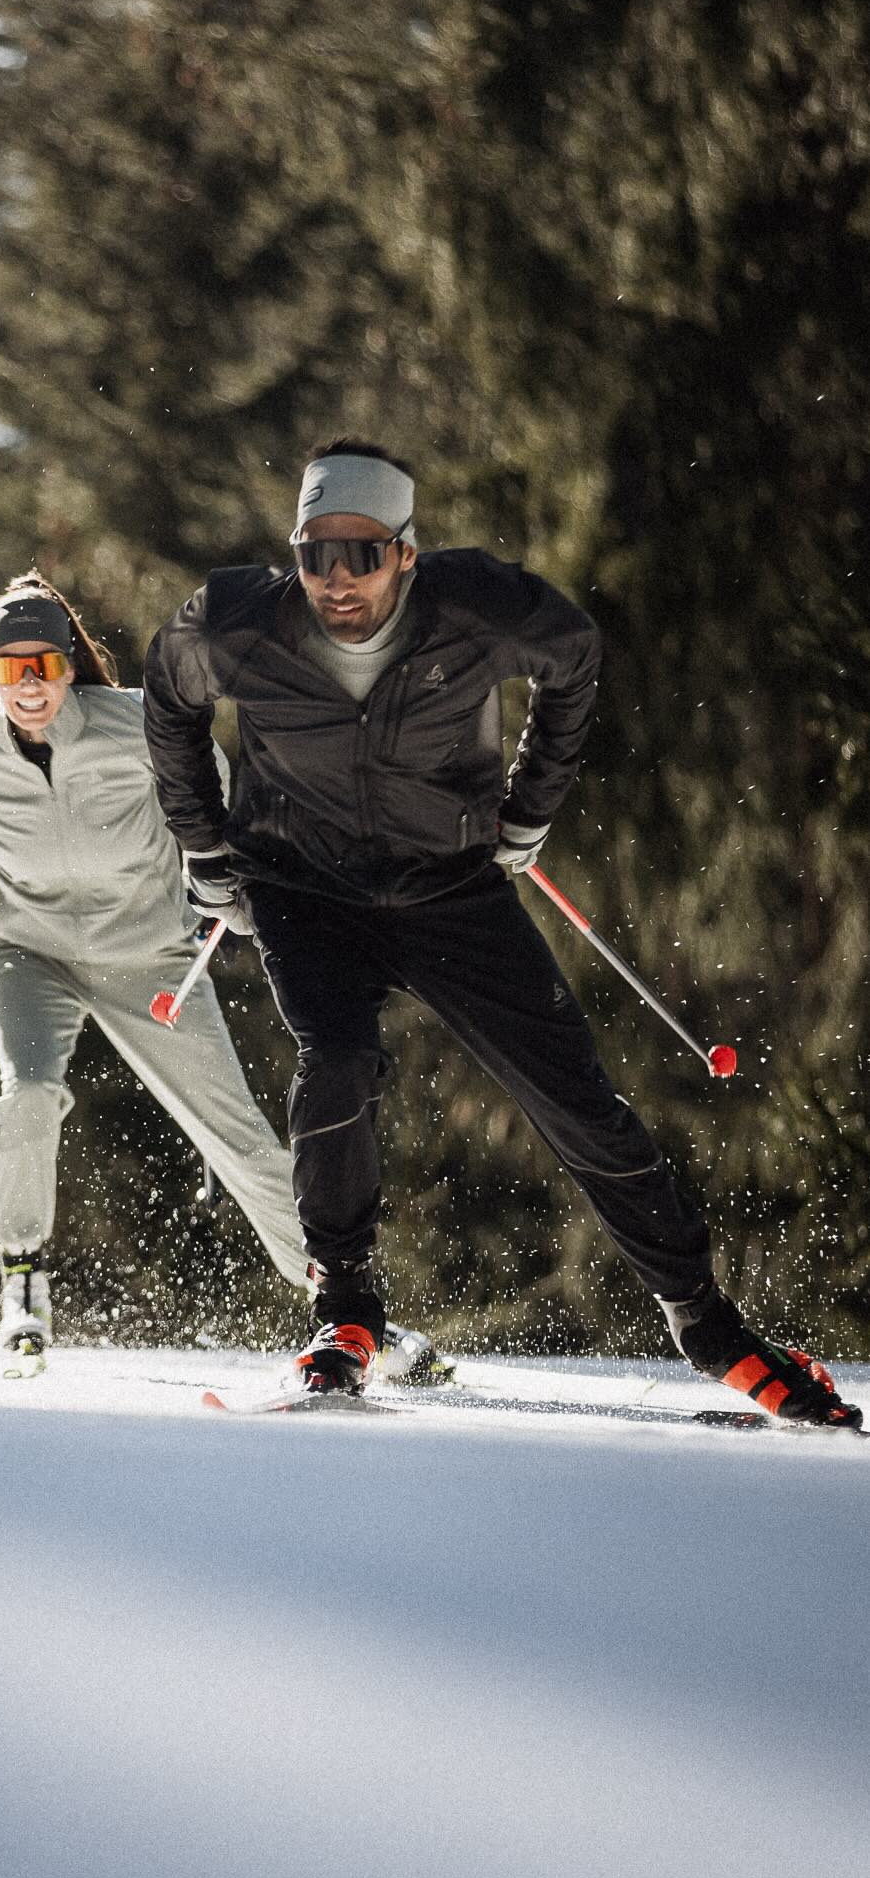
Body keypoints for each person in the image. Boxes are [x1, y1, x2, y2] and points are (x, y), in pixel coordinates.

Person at [141, 439, 861, 1427]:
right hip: (303, 890)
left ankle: (709, 1327)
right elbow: (168, 698)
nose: (336, 580)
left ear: (406, 551)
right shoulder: (236, 621)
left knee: (571, 1097)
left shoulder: (477, 606)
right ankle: (344, 1313)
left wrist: (527, 811)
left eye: (362, 553)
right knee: (337, 1060)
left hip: (450, 891)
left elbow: (573, 659)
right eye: (315, 554)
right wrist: (206, 849)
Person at [0, 572, 310, 1366]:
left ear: (70, 665)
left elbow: (209, 785)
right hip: (30, 954)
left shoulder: (135, 724)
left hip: (149, 958)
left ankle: (343, 1305)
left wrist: (222, 876)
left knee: (239, 1138)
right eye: (12, 670)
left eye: (43, 665)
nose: (30, 685)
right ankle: (23, 1285)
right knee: (30, 1094)